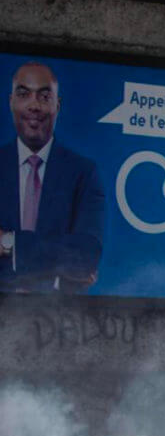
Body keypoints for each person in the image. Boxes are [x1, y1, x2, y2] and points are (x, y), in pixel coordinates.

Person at [0, 61, 105, 293]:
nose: (34, 106)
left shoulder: (83, 173)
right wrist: (60, 260)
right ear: (11, 102)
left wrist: (9, 243)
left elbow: (85, 258)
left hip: (58, 317)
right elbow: (74, 262)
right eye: (24, 94)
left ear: (58, 106)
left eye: (44, 97)